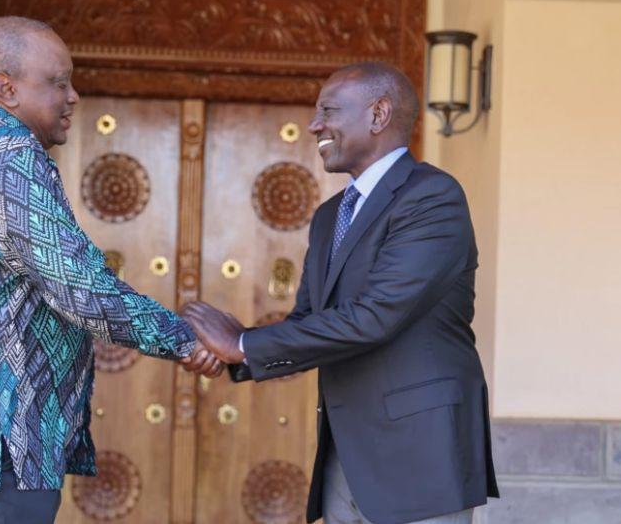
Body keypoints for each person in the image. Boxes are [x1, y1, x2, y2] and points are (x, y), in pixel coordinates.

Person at [0, 16, 222, 523]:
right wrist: (184, 339)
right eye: (58, 82)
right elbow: (83, 289)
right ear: (5, 88)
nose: (73, 95)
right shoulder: (6, 155)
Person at [184, 62, 499, 524]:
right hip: (344, 457)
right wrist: (236, 357)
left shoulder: (433, 197)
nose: (314, 125)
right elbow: (308, 320)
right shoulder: (332, 214)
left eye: (328, 111)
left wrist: (242, 343)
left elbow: (374, 317)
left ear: (378, 114)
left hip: (419, 458)